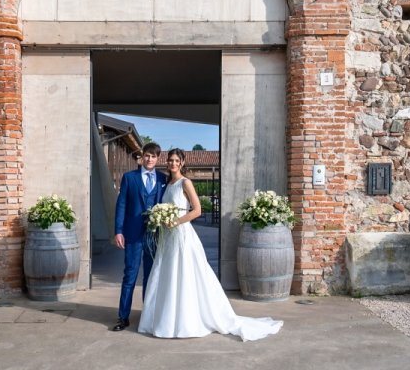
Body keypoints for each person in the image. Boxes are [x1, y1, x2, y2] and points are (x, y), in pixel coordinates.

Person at [138, 148, 283, 341]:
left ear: (182, 163)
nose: (173, 163)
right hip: (167, 237)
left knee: (184, 275)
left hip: (181, 233)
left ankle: (185, 321)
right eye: (170, 160)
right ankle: (165, 319)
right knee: (167, 274)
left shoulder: (185, 182)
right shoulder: (168, 183)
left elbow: (197, 210)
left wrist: (175, 221)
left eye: (176, 160)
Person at [112, 142, 168, 332]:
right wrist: (118, 230)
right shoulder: (130, 178)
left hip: (154, 236)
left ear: (157, 159)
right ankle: (123, 317)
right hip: (133, 235)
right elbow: (121, 205)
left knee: (151, 277)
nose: (150, 159)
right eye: (147, 156)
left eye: (153, 156)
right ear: (142, 157)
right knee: (130, 275)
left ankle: (148, 315)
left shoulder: (163, 179)